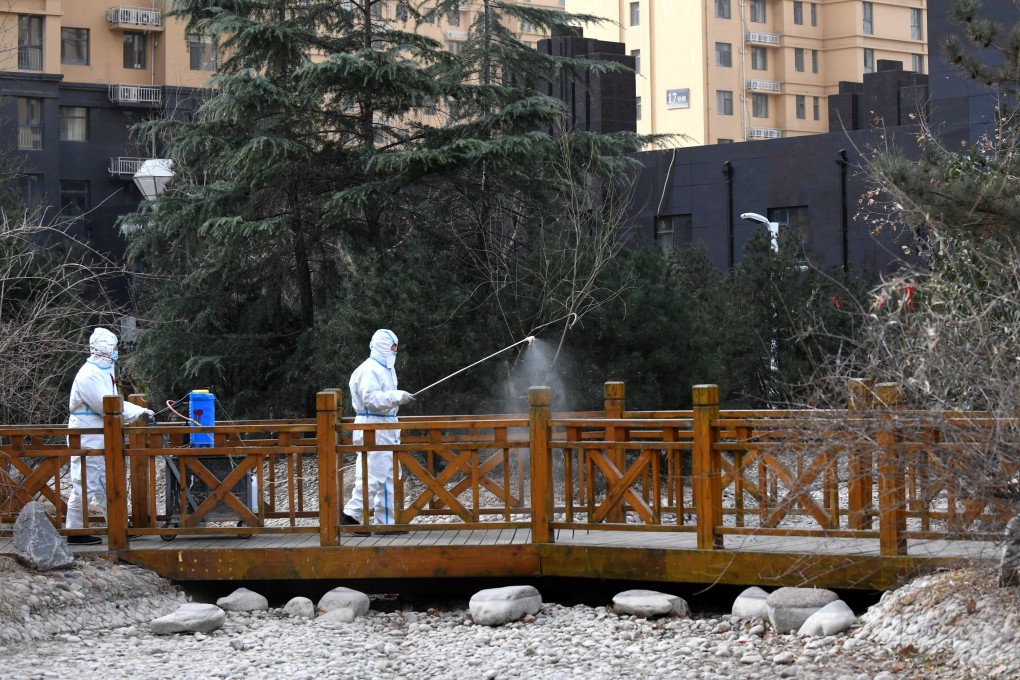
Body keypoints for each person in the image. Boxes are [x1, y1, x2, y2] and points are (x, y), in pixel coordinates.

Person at [65, 327, 154, 544]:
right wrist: (139, 412)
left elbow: (115, 403)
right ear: (105, 348)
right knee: (85, 482)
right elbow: (107, 406)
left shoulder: (104, 370)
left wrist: (139, 412)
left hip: (100, 432)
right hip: (86, 433)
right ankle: (76, 531)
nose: (116, 351)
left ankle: (117, 524)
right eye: (113, 347)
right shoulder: (89, 375)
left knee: (107, 482)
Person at [341, 329, 414, 535]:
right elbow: (370, 399)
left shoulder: (387, 369)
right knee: (372, 475)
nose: (395, 350)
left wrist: (398, 398)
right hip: (373, 426)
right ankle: (351, 516)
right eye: (392, 346)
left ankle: (387, 521)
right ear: (383, 345)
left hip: (387, 426)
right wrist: (397, 396)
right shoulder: (369, 369)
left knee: (390, 475)